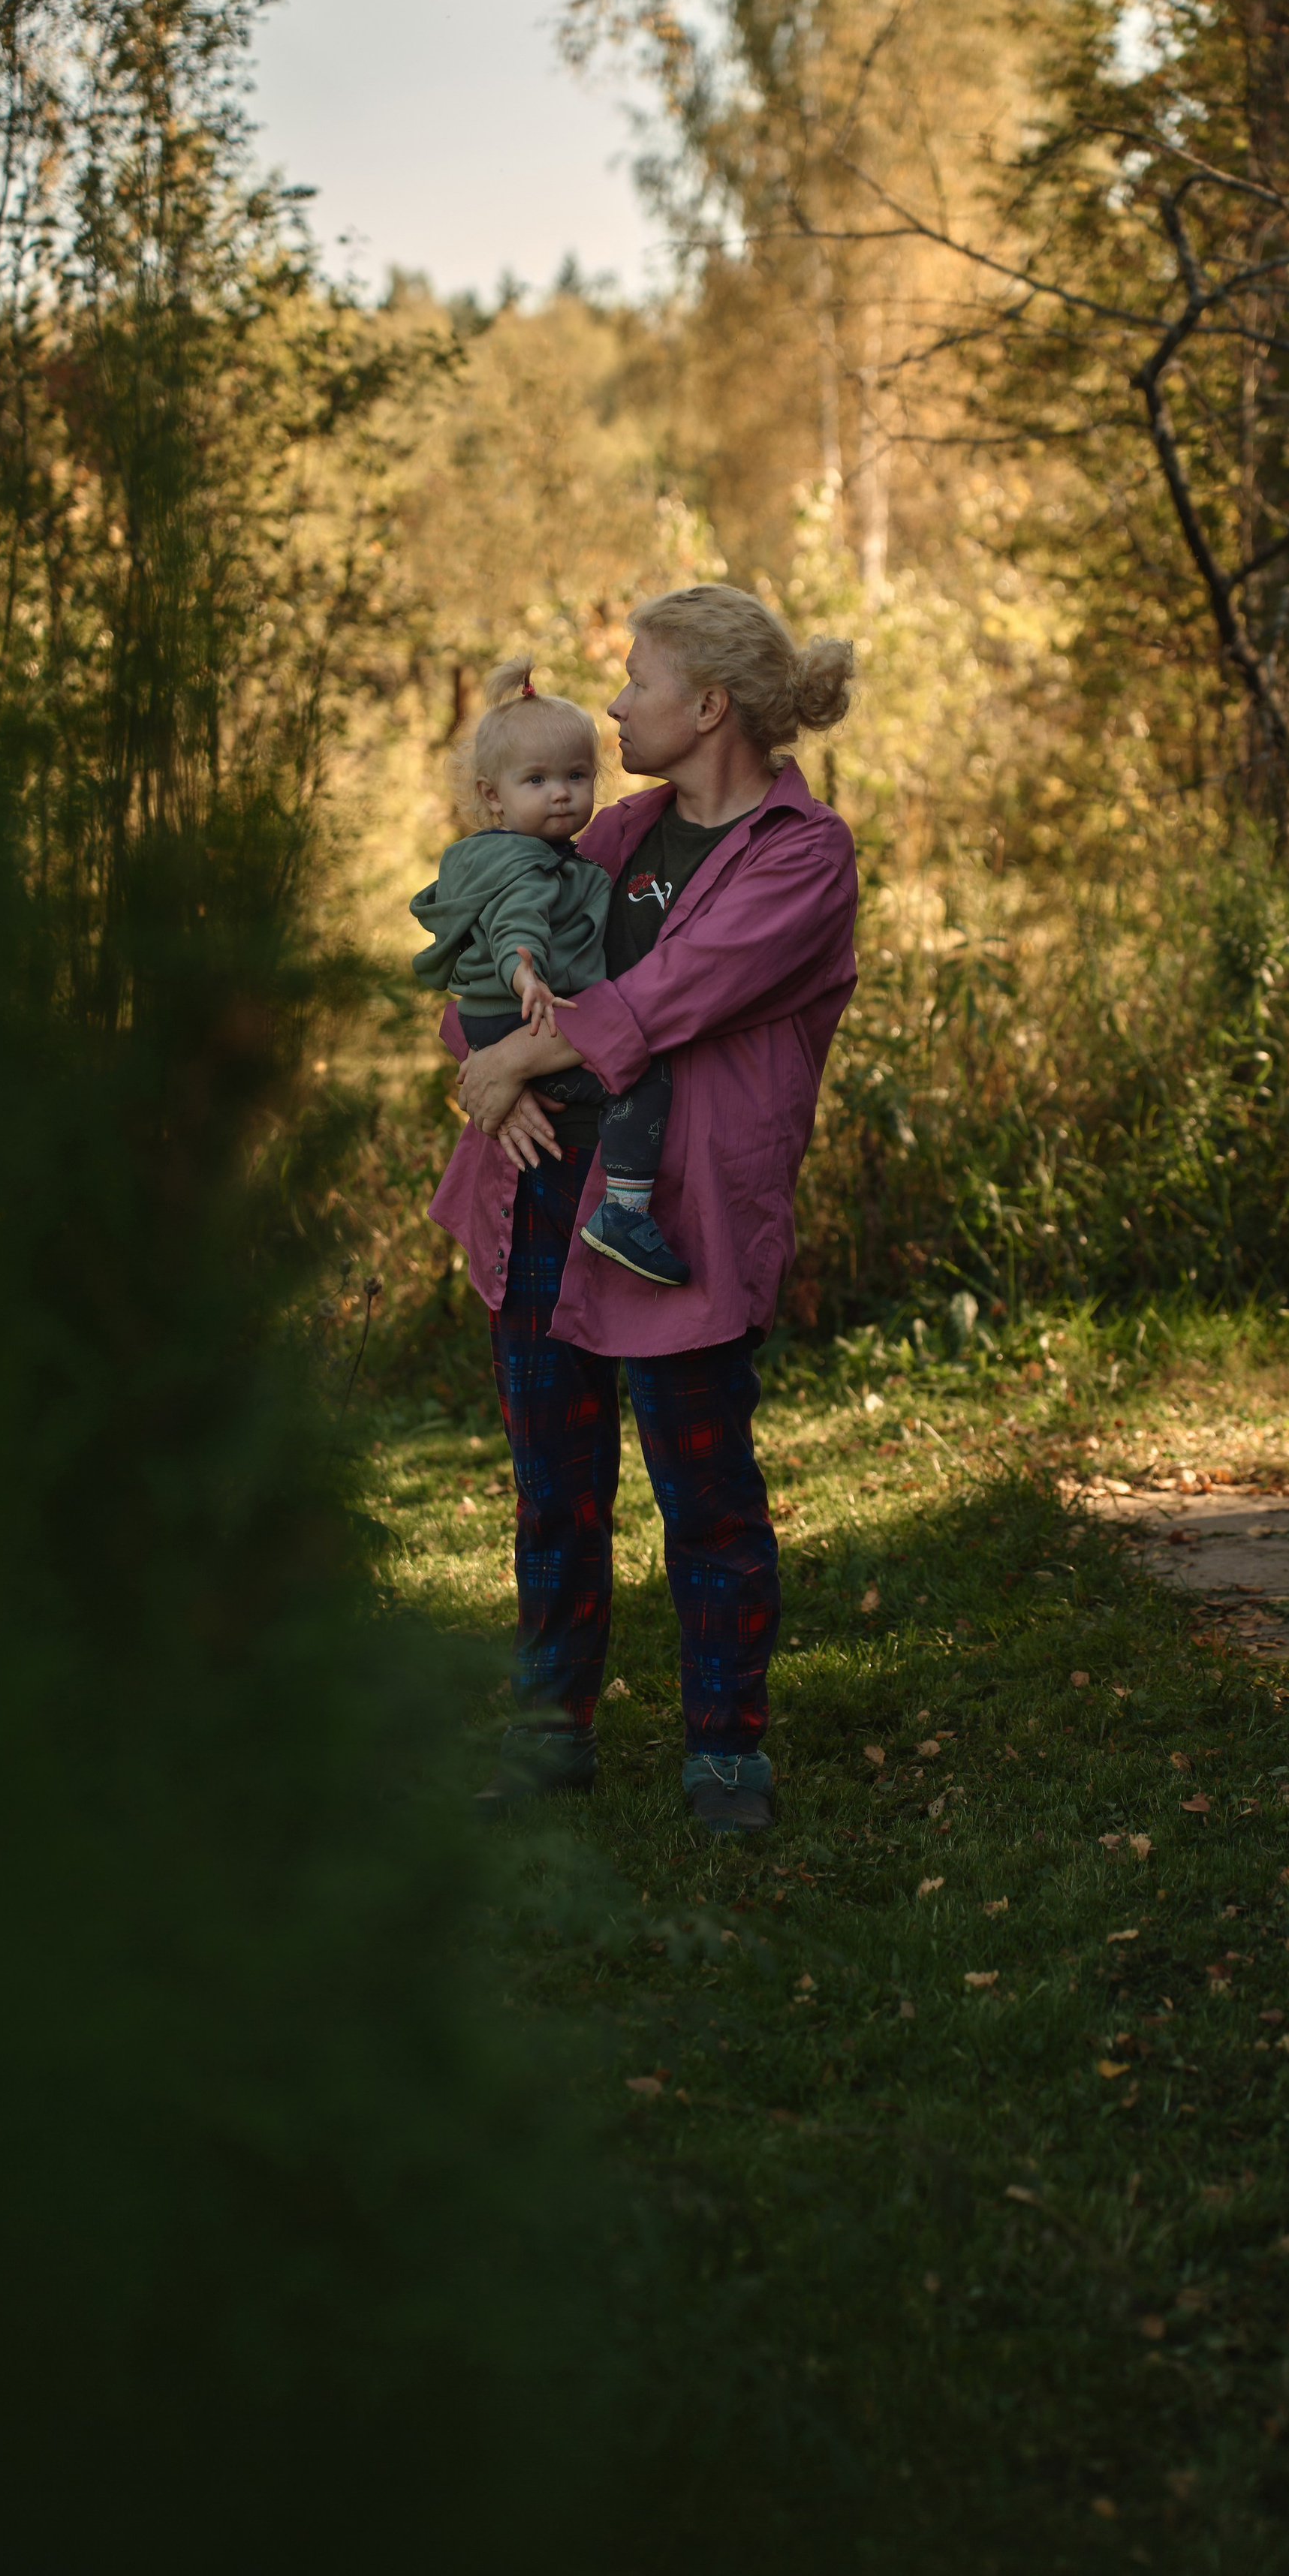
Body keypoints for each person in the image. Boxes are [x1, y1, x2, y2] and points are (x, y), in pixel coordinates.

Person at [429, 583, 858, 1837]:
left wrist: (515, 1058)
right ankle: (548, 1737)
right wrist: (488, 1061)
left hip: (671, 1227)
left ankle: (726, 1752)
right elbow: (488, 952)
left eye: (637, 679)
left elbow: (672, 993)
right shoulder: (611, 834)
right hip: (539, 1195)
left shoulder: (799, 854)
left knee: (704, 1493)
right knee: (554, 1492)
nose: (613, 702)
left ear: (708, 705)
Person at [408, 658, 691, 1286]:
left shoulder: (505, 855)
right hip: (522, 1009)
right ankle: (626, 1208)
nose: (560, 793)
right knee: (639, 1077)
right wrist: (525, 975)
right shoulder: (529, 867)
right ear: (492, 794)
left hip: (494, 1022)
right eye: (536, 780)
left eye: (576, 776)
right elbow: (517, 927)